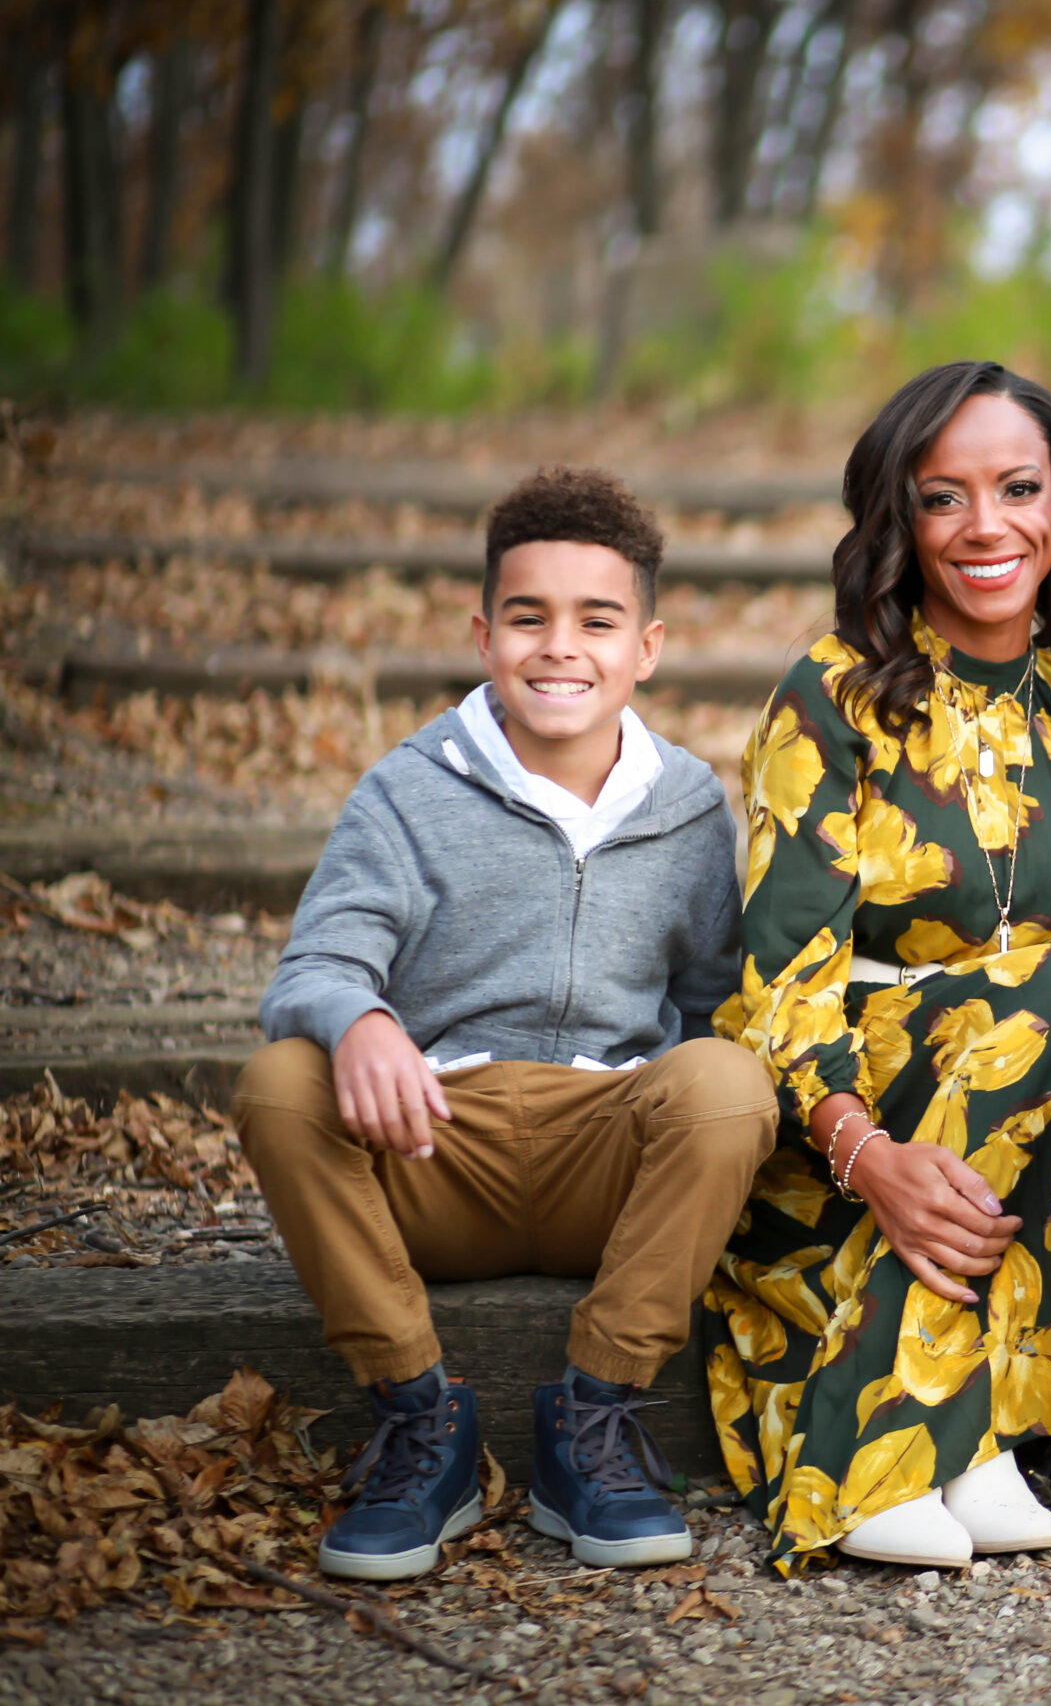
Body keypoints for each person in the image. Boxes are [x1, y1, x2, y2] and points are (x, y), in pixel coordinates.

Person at [233, 467, 778, 1580]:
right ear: (484, 636)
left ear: (647, 648)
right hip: (432, 1149)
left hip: (605, 1167)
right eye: (528, 618)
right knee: (281, 1080)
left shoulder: (687, 808)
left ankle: (595, 1417)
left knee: (727, 1078)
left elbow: (715, 1000)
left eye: (597, 621)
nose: (559, 647)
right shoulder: (408, 791)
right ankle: (420, 1420)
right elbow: (318, 963)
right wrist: (360, 1021)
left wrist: (700, 1134)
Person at [709, 361, 1051, 1574]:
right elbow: (785, 975)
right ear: (899, 519)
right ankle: (883, 1449)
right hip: (856, 1105)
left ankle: (971, 1436)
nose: (984, 527)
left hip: (1047, 1098)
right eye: (941, 498)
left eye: (1016, 489)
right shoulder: (834, 696)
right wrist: (865, 1155)